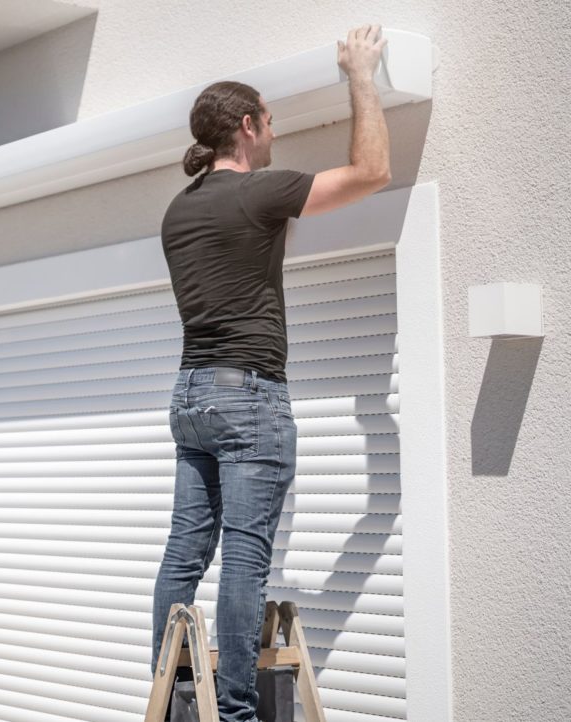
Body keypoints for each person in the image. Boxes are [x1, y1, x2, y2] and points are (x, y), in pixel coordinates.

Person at [152, 25, 391, 721]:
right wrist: (362, 75)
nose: (275, 134)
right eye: (271, 121)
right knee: (245, 558)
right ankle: (235, 714)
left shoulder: (179, 209)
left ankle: (171, 700)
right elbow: (372, 172)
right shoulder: (258, 192)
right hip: (246, 394)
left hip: (191, 394)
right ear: (249, 126)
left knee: (184, 554)